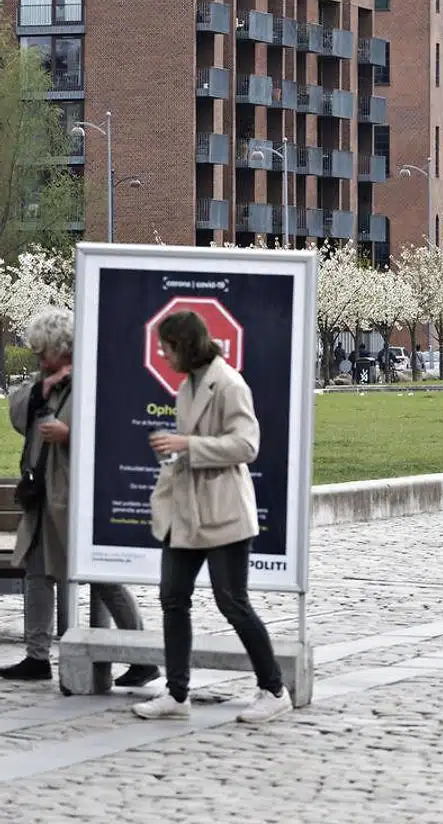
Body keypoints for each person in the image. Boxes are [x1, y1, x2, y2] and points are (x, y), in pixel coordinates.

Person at [133, 310, 291, 723]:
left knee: (232, 601)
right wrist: (179, 448)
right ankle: (176, 692)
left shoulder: (229, 383)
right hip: (187, 511)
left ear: (184, 345)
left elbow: (246, 445)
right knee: (172, 598)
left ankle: (274, 689)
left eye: (166, 347)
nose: (162, 355)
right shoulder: (189, 384)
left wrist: (188, 443)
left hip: (223, 512)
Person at [0, 308, 158, 689]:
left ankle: (142, 655)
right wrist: (44, 386)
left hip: (74, 494)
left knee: (98, 574)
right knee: (38, 571)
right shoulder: (47, 381)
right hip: (43, 492)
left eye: (43, 353)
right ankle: (37, 655)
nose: (39, 359)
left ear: (62, 348)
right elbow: (18, 414)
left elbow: (115, 434)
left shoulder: (93, 381)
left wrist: (70, 434)